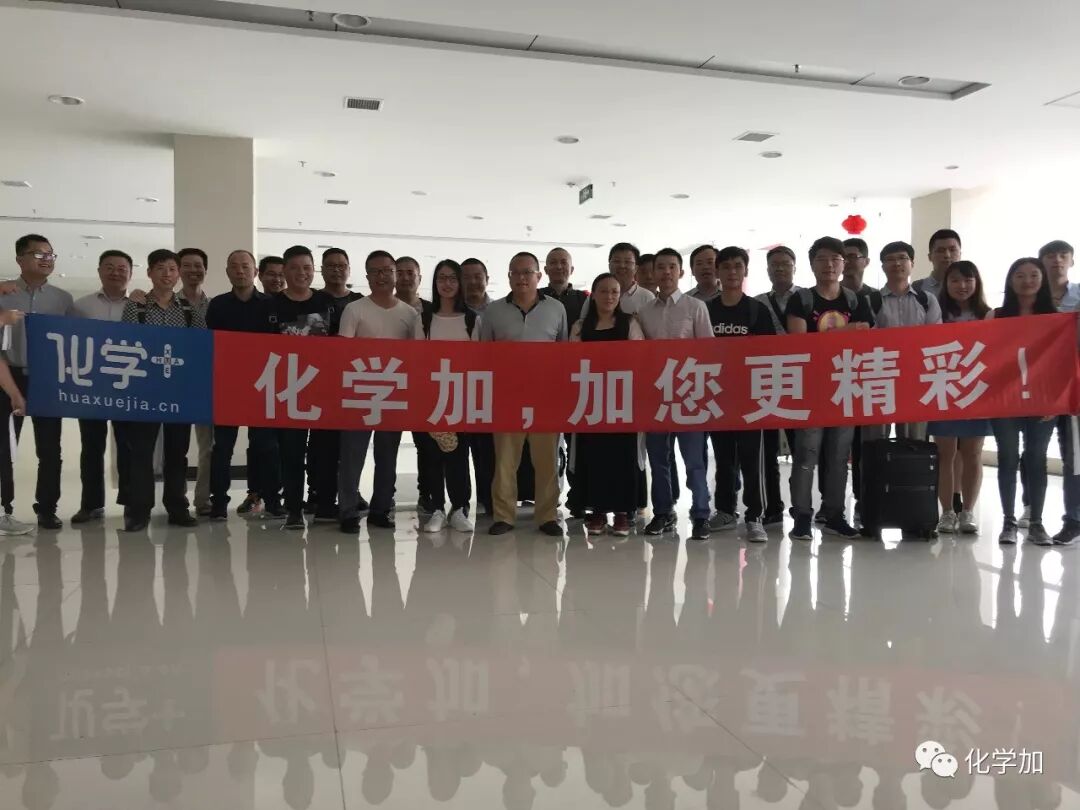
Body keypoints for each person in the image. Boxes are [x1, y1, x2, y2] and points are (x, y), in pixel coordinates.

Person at [785, 236, 874, 542]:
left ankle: (835, 514)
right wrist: (844, 332)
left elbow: (867, 337)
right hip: (810, 388)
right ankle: (802, 516)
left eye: (835, 259)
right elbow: (800, 345)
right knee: (806, 455)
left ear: (844, 264)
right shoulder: (801, 300)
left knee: (839, 456)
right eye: (822, 259)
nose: (829, 265)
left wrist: (830, 337)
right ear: (812, 265)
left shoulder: (856, 301)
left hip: (845, 386)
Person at [479, 252, 568, 536]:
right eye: (515, 273)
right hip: (507, 397)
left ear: (539, 276)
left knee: (546, 461)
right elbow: (484, 355)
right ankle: (504, 516)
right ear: (508, 277)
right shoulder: (493, 312)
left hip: (545, 397)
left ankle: (547, 516)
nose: (521, 278)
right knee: (505, 461)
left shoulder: (556, 309)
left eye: (527, 272)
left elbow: (564, 353)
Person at [119, 249, 206, 532]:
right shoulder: (136, 307)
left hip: (178, 391)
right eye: (160, 268)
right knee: (141, 451)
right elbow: (127, 343)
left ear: (178, 273)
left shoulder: (189, 310)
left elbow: (200, 347)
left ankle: (177, 506)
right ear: (149, 273)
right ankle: (139, 510)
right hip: (145, 390)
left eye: (171, 269)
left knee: (177, 452)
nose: (167, 274)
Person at [337, 250, 421, 533]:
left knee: (387, 457)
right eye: (375, 271)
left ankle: (381, 509)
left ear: (395, 275)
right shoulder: (355, 309)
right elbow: (342, 353)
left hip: (393, 394)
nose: (382, 276)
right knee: (352, 456)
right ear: (367, 276)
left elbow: (417, 356)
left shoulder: (409, 314)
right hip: (359, 392)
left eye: (387, 270)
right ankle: (348, 510)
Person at [859, 241, 943, 516]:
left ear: (912, 263)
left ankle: (913, 507)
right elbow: (865, 341)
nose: (897, 263)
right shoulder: (870, 300)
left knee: (915, 446)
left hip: (916, 384)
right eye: (891, 259)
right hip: (879, 382)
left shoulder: (927, 300)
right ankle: (869, 506)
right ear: (882, 266)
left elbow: (935, 340)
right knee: (873, 446)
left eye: (903, 258)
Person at [638, 248, 713, 542]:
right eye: (660, 267)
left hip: (689, 394)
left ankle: (701, 514)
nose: (666, 272)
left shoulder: (696, 307)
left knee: (694, 460)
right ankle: (663, 512)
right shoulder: (645, 312)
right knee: (659, 459)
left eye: (672, 267)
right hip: (656, 395)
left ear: (681, 272)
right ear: (653, 273)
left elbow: (708, 353)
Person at [0, 233, 74, 532]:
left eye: (50, 254)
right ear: (20, 259)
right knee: (5, 446)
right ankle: (5, 509)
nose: (46, 260)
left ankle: (47, 509)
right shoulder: (4, 293)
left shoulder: (63, 299)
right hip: (9, 375)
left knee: (50, 448)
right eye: (39, 254)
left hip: (48, 378)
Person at [205, 250, 284, 521]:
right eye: (234, 266)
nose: (240, 271)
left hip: (263, 386)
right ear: (227, 271)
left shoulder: (271, 305)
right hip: (227, 387)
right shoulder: (217, 305)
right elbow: (211, 345)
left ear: (255, 272)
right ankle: (219, 503)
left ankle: (272, 499)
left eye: (245, 266)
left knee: (266, 447)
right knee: (222, 448)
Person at [264, 245, 337, 530]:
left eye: (307, 267)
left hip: (323, 391)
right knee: (291, 453)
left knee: (325, 452)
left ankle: (324, 504)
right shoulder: (270, 306)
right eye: (294, 268)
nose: (301, 273)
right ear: (284, 271)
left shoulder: (326, 302)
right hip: (288, 391)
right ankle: (293, 508)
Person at [987, 257, 1059, 546]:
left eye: (1033, 275)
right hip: (1005, 399)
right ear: (1010, 280)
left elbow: (1061, 363)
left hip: (1043, 401)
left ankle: (1037, 523)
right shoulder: (996, 316)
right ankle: (1008, 522)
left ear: (1042, 280)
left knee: (1036, 459)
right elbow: (985, 357)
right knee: (1007, 457)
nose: (1027, 281)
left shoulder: (1055, 318)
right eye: (1020, 275)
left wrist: (1055, 400)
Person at [705, 246, 775, 543]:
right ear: (717, 272)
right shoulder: (707, 310)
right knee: (723, 458)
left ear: (745, 270)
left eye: (737, 266)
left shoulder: (757, 310)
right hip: (717, 395)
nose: (732, 272)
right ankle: (724, 510)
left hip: (750, 398)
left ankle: (755, 516)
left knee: (752, 459)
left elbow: (770, 353)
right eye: (726, 267)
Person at [571, 273, 644, 538]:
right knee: (595, 457)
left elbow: (640, 357)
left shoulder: (630, 323)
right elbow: (572, 361)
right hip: (591, 402)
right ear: (594, 295)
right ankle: (598, 511)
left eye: (614, 291)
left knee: (623, 457)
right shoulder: (580, 326)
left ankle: (623, 513)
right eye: (604, 291)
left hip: (622, 402)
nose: (609, 296)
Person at [68, 249, 133, 524]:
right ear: (99, 271)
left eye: (122, 268)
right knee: (91, 447)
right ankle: (91, 505)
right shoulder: (80, 306)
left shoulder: (138, 306)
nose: (116, 272)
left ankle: (131, 504)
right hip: (91, 386)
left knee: (128, 447)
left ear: (130, 273)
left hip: (127, 385)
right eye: (109, 267)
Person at [927, 261, 991, 535]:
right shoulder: (937, 312)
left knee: (973, 453)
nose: (962, 286)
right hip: (944, 388)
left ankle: (968, 512)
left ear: (976, 283)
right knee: (945, 453)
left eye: (968, 280)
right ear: (946, 284)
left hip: (977, 390)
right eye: (955, 280)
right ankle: (947, 512)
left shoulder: (989, 315)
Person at [416, 259, 477, 534]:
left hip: (461, 397)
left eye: (453, 278)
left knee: (458, 455)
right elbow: (416, 359)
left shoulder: (472, 320)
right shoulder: (424, 320)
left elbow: (478, 361)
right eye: (442, 278)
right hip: (430, 397)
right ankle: (437, 509)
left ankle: (460, 508)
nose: (447, 283)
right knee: (431, 456)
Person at [308, 247, 366, 516]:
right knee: (322, 445)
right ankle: (320, 495)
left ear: (349, 270)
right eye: (330, 265)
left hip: (355, 381)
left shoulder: (359, 302)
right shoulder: (313, 301)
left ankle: (351, 492)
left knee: (351, 446)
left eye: (342, 265)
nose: (336, 270)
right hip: (321, 382)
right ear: (322, 269)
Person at [755, 245, 800, 523]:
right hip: (767, 380)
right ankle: (772, 507)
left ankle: (801, 506)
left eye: (785, 263)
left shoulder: (807, 297)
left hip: (800, 381)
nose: (780, 268)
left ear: (795, 267)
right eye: (775, 264)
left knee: (801, 449)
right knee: (767, 449)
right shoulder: (758, 303)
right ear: (768, 270)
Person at [1041, 240, 1080, 546]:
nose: (1057, 260)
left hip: (1074, 385)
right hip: (1039, 386)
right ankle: (1031, 513)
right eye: (1050, 256)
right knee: (1033, 451)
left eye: (1063, 255)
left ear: (1072, 261)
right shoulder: (1032, 297)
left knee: (1073, 455)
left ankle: (1074, 519)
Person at [395, 255, 436, 512]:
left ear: (420, 278)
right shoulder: (385, 307)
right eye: (400, 272)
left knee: (426, 445)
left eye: (411, 273)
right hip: (390, 384)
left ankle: (427, 493)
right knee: (387, 445)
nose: (405, 277)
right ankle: (384, 495)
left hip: (424, 387)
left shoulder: (433, 311)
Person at [176, 248, 214, 516]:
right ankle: (177, 500)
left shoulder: (214, 306)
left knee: (207, 447)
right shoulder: (166, 304)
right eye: (187, 265)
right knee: (176, 447)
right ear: (178, 270)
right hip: (175, 383)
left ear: (205, 270)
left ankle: (202, 500)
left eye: (198, 265)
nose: (193, 270)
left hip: (206, 384)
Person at [460, 257, 495, 515]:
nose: (473, 282)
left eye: (477, 276)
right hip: (458, 389)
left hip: (490, 393)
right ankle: (460, 503)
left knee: (488, 452)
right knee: (459, 451)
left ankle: (488, 500)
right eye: (466, 277)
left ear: (487, 279)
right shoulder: (451, 313)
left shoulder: (499, 311)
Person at [541, 247, 588, 325]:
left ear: (571, 270)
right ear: (546, 270)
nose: (559, 267)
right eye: (553, 262)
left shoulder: (584, 299)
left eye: (564, 262)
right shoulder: (536, 296)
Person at [914, 228, 962, 300]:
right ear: (930, 257)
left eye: (952, 250)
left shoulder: (968, 287)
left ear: (960, 254)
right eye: (940, 251)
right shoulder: (917, 288)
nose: (947, 255)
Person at [608, 242, 655, 315]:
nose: (622, 266)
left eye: (627, 262)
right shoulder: (599, 294)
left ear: (636, 268)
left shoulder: (647, 297)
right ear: (609, 266)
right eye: (617, 261)